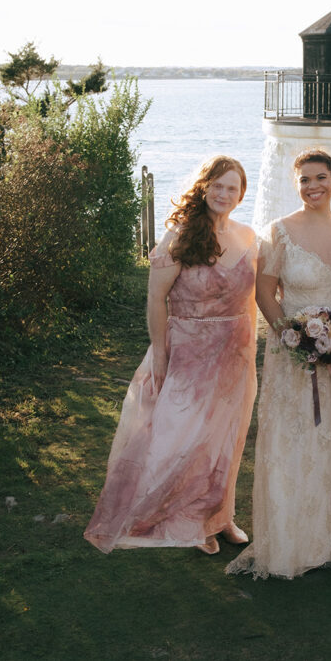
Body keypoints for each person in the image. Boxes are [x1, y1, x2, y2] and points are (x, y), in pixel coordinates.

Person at [84, 156, 258, 556]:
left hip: (235, 355)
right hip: (188, 353)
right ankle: (194, 523)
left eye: (232, 188)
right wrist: (160, 354)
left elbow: (248, 297)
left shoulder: (247, 236)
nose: (224, 194)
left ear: (241, 194)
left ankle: (222, 516)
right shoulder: (179, 236)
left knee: (227, 440)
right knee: (189, 440)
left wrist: (250, 350)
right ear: (204, 186)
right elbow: (156, 298)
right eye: (217, 185)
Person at [226, 149, 331, 579]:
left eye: (320, 178)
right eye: (304, 180)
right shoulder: (278, 233)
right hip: (295, 360)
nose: (312, 186)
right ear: (296, 185)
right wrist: (295, 337)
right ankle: (295, 541)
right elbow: (264, 295)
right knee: (299, 442)